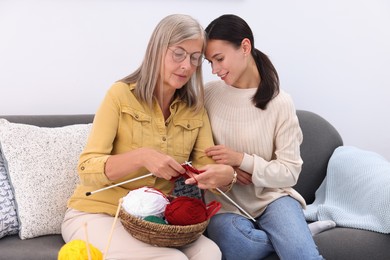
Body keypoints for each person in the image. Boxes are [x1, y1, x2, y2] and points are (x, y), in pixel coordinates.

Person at [61, 14, 234, 260]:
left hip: (152, 222)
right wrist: (142, 157)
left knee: (210, 252)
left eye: (195, 58)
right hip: (98, 214)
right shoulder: (120, 95)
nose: (187, 65)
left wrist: (225, 177)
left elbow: (206, 170)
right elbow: (86, 169)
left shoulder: (195, 109)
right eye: (179, 54)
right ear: (157, 50)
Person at [185, 14, 332, 259]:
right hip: (224, 204)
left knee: (302, 255)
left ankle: (295, 237)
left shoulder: (280, 103)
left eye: (219, 59)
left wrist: (242, 160)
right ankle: (297, 234)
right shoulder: (208, 94)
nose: (215, 70)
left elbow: (290, 172)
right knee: (241, 246)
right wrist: (229, 172)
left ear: (245, 47)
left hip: (272, 199)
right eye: (210, 62)